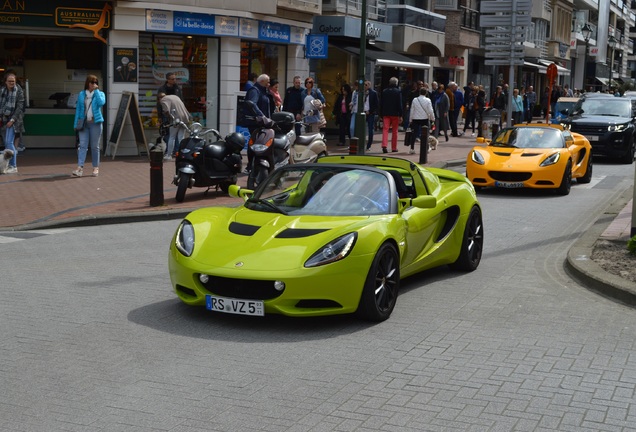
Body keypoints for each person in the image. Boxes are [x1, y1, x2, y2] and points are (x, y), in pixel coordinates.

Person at [72, 75, 105, 177]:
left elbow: (101, 103)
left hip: (96, 123)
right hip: (84, 123)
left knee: (95, 146)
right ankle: (80, 168)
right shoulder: (82, 94)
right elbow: (78, 110)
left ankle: (96, 167)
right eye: (91, 82)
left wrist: (96, 91)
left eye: (95, 82)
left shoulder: (100, 94)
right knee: (82, 145)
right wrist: (75, 124)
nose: (93, 84)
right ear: (87, 83)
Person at [0, 72, 25, 174]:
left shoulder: (19, 91)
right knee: (7, 143)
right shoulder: (2, 91)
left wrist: (12, 120)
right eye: (9, 81)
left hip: (15, 121)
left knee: (9, 142)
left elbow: (19, 107)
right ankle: (8, 165)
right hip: (5, 119)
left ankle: (13, 166)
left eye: (13, 81)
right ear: (5, 82)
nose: (11, 83)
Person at [158, 93, 192, 160]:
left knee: (172, 137)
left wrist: (169, 117)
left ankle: (169, 155)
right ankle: (183, 154)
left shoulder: (163, 100)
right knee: (181, 137)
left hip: (176, 119)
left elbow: (166, 110)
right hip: (184, 117)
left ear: (159, 98)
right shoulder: (175, 96)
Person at [408, 87, 435, 155]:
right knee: (426, 134)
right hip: (425, 119)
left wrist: (410, 119)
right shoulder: (428, 100)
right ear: (426, 93)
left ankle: (412, 148)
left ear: (419, 92)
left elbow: (412, 110)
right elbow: (430, 110)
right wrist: (433, 118)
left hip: (416, 119)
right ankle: (426, 148)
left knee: (414, 134)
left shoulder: (415, 100)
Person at [380, 77, 403, 153]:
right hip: (395, 113)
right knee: (394, 131)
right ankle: (394, 147)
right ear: (396, 83)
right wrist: (401, 114)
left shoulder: (384, 91)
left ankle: (384, 145)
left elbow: (381, 103)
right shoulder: (398, 92)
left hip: (386, 113)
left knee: (385, 129)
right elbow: (399, 104)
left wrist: (380, 113)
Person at [363, 80, 379, 150]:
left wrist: (370, 111)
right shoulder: (362, 93)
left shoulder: (373, 93)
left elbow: (376, 104)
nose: (365, 86)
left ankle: (369, 145)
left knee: (370, 129)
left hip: (370, 113)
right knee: (361, 129)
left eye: (366, 85)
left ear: (369, 85)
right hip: (363, 113)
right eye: (364, 85)